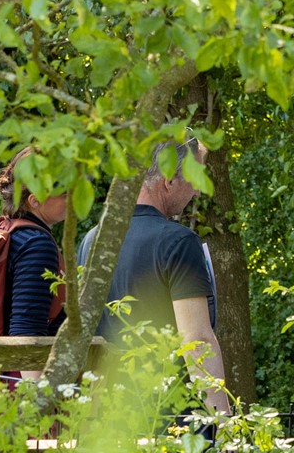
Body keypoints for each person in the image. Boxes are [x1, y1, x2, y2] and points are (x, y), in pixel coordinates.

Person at [87, 137, 232, 416]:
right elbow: (196, 339)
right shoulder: (178, 242)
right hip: (168, 419)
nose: (198, 192)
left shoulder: (93, 240)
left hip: (106, 419)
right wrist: (223, 424)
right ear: (169, 180)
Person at [0, 147, 71, 340]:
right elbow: (27, 335)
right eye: (64, 192)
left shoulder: (10, 233)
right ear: (34, 200)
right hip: (21, 369)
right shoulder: (37, 245)